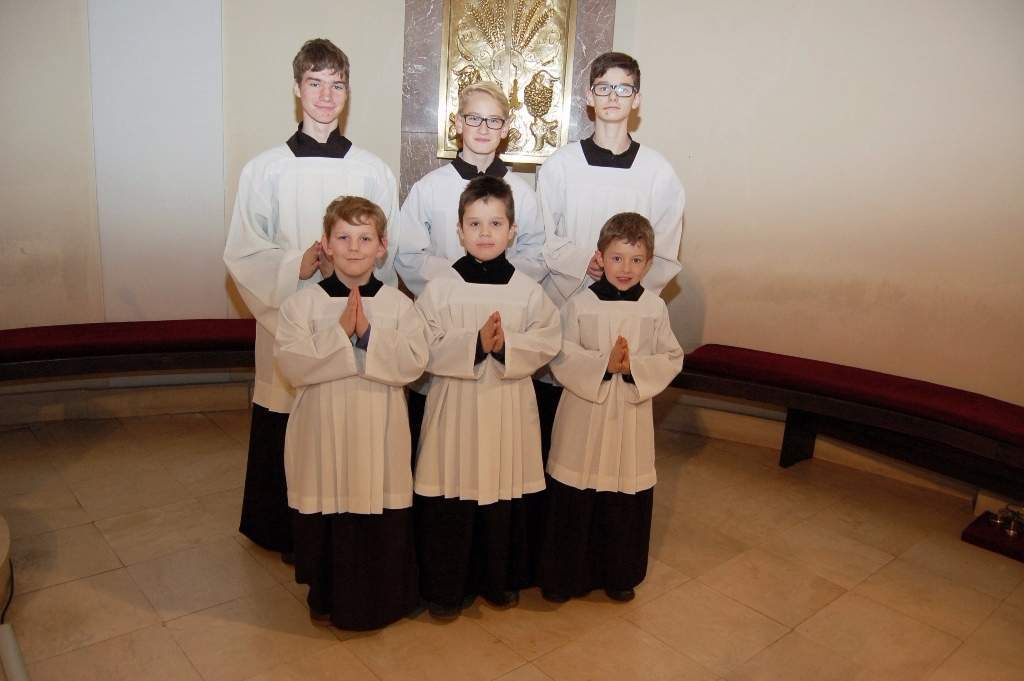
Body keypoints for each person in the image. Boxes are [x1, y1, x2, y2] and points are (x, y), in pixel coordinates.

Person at [224, 38, 399, 558]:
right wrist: (296, 265)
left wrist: (354, 268)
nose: (326, 96)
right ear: (297, 89)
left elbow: (388, 248)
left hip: (354, 307)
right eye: (315, 83)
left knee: (347, 413)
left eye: (336, 85)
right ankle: (284, 529)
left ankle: (344, 525)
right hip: (290, 311)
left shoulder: (372, 169)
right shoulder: (265, 169)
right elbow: (243, 251)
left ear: (347, 92)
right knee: (288, 411)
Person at [274, 196, 427, 629]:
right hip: (321, 426)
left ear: (382, 246)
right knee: (329, 502)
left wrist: (369, 336)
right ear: (325, 244)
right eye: (343, 237)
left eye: (365, 238)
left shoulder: (399, 305)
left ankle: (383, 598)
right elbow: (291, 364)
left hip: (380, 424)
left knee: (378, 505)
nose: (354, 247)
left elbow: (414, 362)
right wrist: (340, 334)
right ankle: (326, 594)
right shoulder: (301, 305)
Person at [413, 176, 561, 619]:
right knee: (453, 487)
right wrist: (475, 345)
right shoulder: (440, 288)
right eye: (474, 224)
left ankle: (498, 580)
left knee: (501, 488)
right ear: (459, 230)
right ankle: (448, 586)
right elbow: (420, 345)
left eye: (495, 223)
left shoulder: (528, 291)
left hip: (506, 405)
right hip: (454, 406)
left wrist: (507, 346)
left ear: (512, 230)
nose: (484, 233)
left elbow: (548, 339)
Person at [534, 50, 686, 457]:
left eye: (623, 88)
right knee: (560, 428)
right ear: (589, 97)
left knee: (618, 433)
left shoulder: (657, 171)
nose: (613, 97)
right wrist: (583, 261)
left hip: (630, 315)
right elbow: (543, 235)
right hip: (571, 302)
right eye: (604, 88)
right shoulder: (561, 165)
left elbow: (664, 248)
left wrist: (628, 285)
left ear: (637, 99)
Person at [538, 213, 683, 604]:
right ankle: (566, 575)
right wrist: (604, 364)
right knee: (576, 490)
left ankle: (618, 573)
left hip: (628, 416)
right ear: (600, 257)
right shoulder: (578, 304)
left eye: (636, 260)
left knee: (623, 492)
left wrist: (633, 367)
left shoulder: (654, 308)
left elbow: (671, 356)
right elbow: (560, 353)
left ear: (648, 264)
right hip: (584, 413)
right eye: (617, 258)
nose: (626, 268)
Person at [396, 82, 546, 456]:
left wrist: (496, 287)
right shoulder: (430, 188)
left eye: (493, 120)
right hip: (446, 327)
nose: (483, 128)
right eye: (474, 118)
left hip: (503, 326)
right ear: (458, 123)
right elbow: (409, 254)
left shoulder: (522, 193)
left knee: (495, 446)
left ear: (505, 128)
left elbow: (536, 254)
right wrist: (459, 283)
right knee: (441, 444)